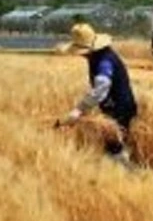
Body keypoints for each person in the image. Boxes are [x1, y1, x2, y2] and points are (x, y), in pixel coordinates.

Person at [55, 23, 138, 166]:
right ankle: (122, 170)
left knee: (114, 149)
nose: (82, 55)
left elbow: (102, 87)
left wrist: (79, 110)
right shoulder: (97, 57)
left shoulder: (104, 61)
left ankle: (129, 174)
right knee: (113, 147)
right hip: (113, 107)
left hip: (120, 109)